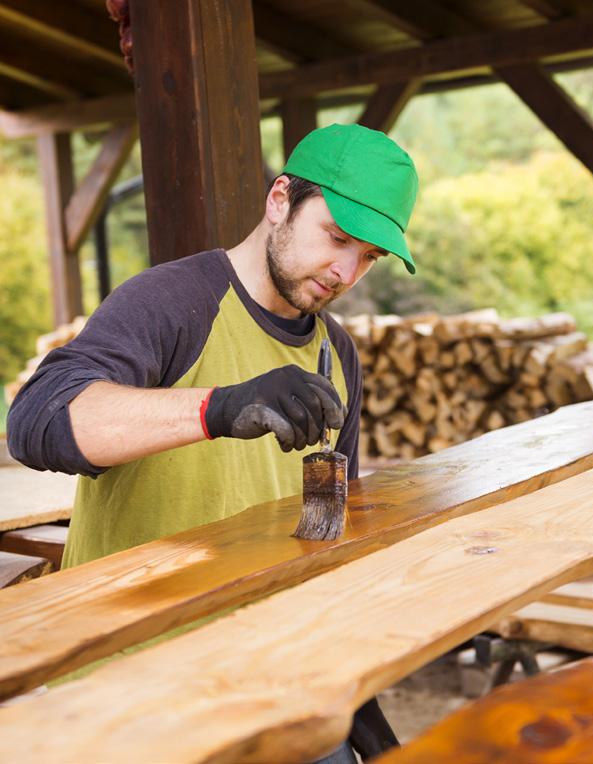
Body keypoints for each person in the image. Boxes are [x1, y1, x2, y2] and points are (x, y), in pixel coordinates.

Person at [8, 122, 418, 762]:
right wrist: (219, 407)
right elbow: (37, 422)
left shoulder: (336, 353)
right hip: (134, 689)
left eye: (369, 256)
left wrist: (358, 700)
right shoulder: (174, 302)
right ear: (280, 199)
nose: (345, 272)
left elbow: (334, 537)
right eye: (337, 238)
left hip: (275, 684)